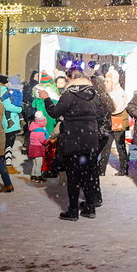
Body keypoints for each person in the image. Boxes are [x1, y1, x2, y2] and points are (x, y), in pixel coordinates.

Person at [42, 68, 103, 220]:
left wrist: (47, 99)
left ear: (71, 80)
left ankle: (73, 210)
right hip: (90, 141)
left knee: (73, 177)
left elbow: (54, 113)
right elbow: (101, 115)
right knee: (88, 175)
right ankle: (90, 208)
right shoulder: (94, 94)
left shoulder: (69, 94)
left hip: (73, 140)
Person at [102, 67, 131, 176]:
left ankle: (123, 168)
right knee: (106, 146)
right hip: (110, 120)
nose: (105, 83)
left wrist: (106, 106)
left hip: (118, 119)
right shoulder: (108, 92)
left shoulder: (118, 92)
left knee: (119, 145)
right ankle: (101, 168)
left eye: (107, 81)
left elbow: (117, 108)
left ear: (113, 81)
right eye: (105, 81)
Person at [1, 74, 23, 170]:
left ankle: (5, 163)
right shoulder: (4, 91)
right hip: (9, 122)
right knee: (8, 144)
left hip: (8, 121)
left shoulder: (6, 90)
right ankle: (7, 164)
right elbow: (8, 106)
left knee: (7, 143)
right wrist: (20, 109)